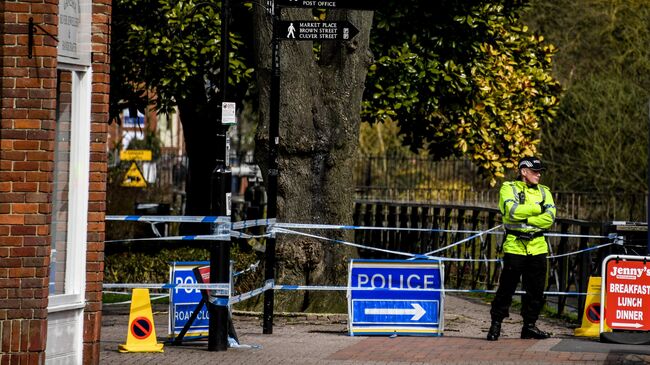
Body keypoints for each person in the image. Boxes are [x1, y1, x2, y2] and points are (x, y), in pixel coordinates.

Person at [487, 156, 557, 341]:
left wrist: (525, 216)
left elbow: (550, 217)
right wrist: (536, 210)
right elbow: (511, 212)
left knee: (536, 291)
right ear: (523, 171)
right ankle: (496, 325)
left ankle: (529, 326)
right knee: (506, 289)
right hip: (515, 246)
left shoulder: (545, 192)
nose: (539, 174)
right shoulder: (508, 188)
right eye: (535, 171)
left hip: (538, 247)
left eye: (540, 171)